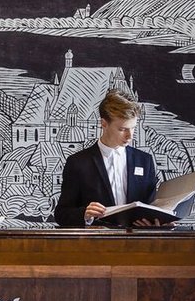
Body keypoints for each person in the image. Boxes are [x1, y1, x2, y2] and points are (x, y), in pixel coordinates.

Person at [54, 89, 160, 227]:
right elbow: (61, 214)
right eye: (122, 129)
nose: (130, 136)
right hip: (98, 240)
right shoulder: (78, 163)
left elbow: (153, 207)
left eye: (133, 128)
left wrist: (159, 221)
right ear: (103, 123)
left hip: (137, 240)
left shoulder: (145, 161)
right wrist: (85, 214)